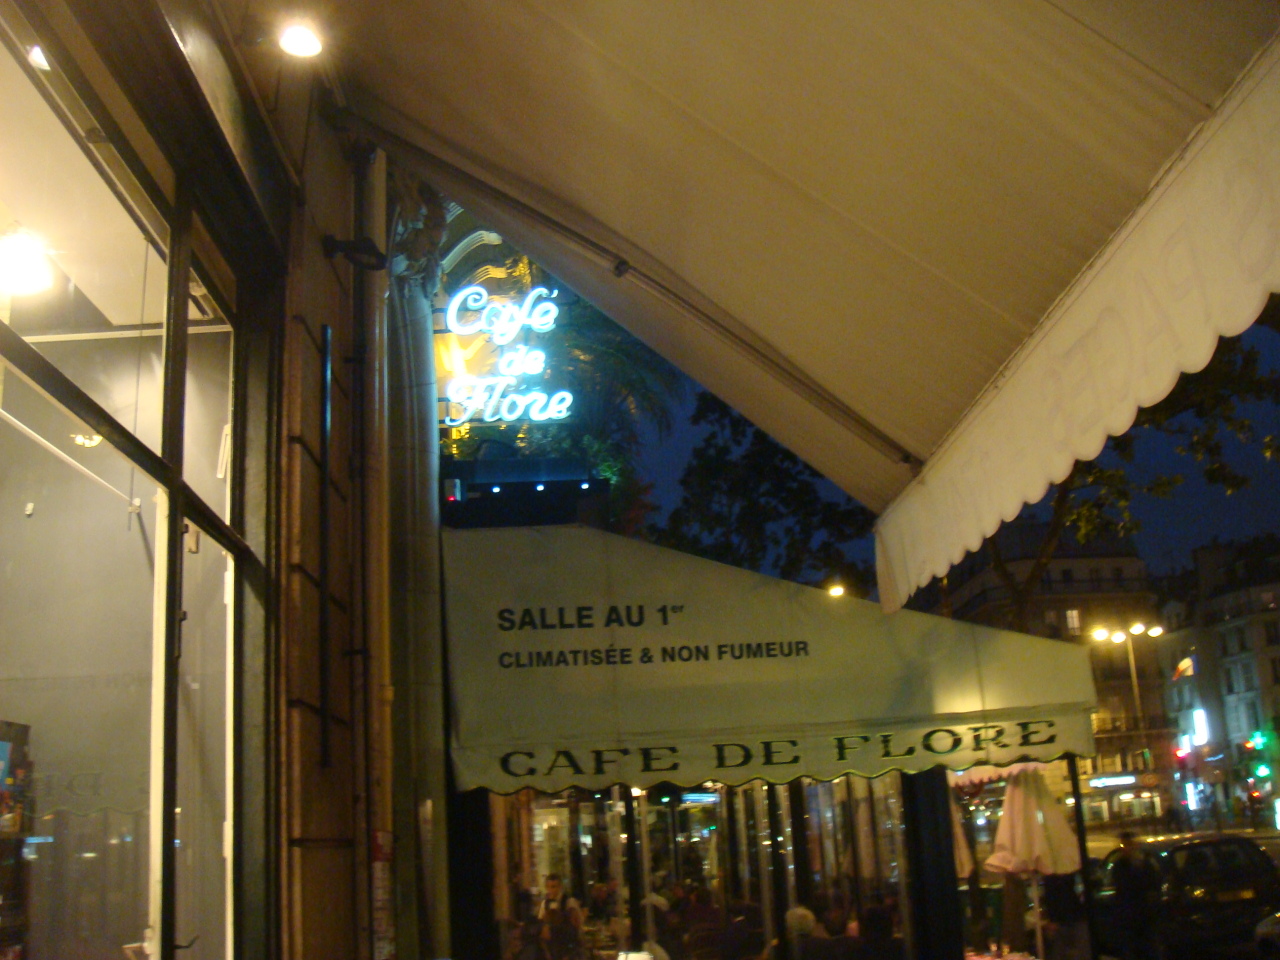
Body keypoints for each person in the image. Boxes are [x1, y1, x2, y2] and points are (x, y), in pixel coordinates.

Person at [1111, 832, 1160, 960]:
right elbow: (1122, 886)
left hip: (1144, 915)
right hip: (1129, 916)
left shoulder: (1145, 864)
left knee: (1147, 948)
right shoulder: (1120, 866)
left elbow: (1153, 884)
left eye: (1130, 845)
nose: (1127, 849)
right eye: (1124, 845)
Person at [537, 874, 583, 960]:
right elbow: (541, 923)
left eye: (554, 887)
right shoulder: (545, 903)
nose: (551, 890)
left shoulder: (569, 902)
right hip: (552, 944)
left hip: (567, 944)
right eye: (549, 887)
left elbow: (577, 924)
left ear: (560, 887)